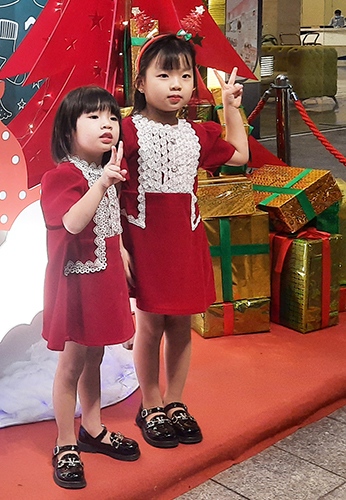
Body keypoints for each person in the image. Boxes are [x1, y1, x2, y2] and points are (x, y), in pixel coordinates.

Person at [120, 34, 249, 449]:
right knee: (150, 325)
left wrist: (231, 106)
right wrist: (117, 246)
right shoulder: (125, 131)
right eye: (164, 75)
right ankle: (151, 403)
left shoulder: (198, 133)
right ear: (140, 83)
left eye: (184, 76)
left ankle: (176, 402)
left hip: (186, 242)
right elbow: (104, 187)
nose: (176, 84)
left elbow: (240, 156)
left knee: (181, 327)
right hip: (144, 242)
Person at [41, 86, 139, 490]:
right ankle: (65, 442)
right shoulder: (61, 175)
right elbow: (72, 223)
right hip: (77, 283)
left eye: (112, 117)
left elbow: (110, 229)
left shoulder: (107, 171)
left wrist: (125, 262)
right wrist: (101, 185)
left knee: (95, 357)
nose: (107, 125)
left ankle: (93, 429)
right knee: (72, 364)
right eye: (94, 117)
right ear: (68, 129)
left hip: (104, 277)